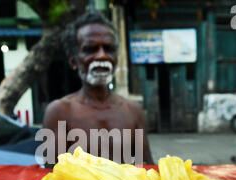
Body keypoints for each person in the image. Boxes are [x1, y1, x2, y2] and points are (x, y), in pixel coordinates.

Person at [42, 11, 154, 166]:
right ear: (74, 61)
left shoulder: (134, 111)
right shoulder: (59, 112)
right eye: (90, 49)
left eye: (108, 49)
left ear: (116, 58)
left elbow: (147, 170)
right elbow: (52, 178)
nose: (102, 56)